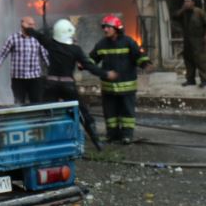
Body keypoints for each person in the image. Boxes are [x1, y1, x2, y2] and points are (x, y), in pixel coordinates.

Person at [26, 19, 115, 150]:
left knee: (46, 113)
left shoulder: (50, 44)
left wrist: (28, 28)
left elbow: (38, 36)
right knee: (82, 113)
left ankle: (43, 144)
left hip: (51, 84)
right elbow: (90, 66)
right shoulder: (76, 50)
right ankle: (97, 142)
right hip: (68, 86)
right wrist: (106, 74)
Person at [90, 15, 152, 144]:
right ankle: (112, 135)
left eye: (108, 27)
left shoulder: (128, 42)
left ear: (117, 28)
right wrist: (83, 64)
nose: (105, 30)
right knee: (110, 113)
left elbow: (138, 56)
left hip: (127, 86)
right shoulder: (101, 44)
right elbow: (92, 59)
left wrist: (145, 64)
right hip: (109, 87)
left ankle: (127, 135)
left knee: (127, 112)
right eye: (104, 27)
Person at [0, 16, 49, 105]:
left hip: (35, 78)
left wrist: (51, 71)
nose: (32, 27)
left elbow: (45, 56)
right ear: (22, 24)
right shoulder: (13, 38)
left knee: (36, 102)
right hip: (18, 78)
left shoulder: (37, 39)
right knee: (19, 102)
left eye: (33, 25)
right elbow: (2, 54)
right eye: (30, 24)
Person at [175, 0, 206, 88]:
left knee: (201, 60)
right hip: (187, 40)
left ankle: (204, 80)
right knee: (188, 60)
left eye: (188, 1)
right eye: (185, 1)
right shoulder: (183, 13)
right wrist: (183, 9)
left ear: (193, 3)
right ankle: (190, 80)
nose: (186, 3)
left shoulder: (199, 12)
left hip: (198, 39)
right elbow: (175, 17)